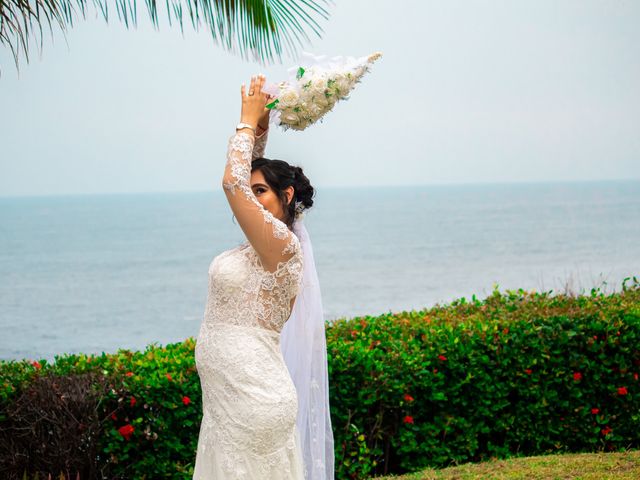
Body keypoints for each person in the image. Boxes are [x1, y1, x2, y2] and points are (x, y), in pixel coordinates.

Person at [193, 74, 334, 479]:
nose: (252, 199)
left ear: (286, 197)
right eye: (252, 192)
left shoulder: (284, 248)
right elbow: (241, 186)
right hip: (225, 402)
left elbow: (231, 184)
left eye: (262, 192)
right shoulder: (259, 245)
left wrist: (244, 119)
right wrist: (259, 134)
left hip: (254, 401)